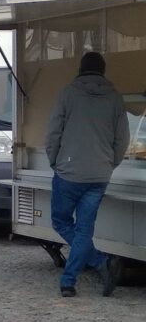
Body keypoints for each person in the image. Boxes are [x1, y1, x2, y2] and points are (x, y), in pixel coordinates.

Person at [45, 51, 130, 298]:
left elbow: (53, 134)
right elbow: (122, 138)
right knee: (84, 230)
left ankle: (94, 266)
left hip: (68, 173)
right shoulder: (114, 97)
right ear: (103, 72)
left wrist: (55, 161)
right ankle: (72, 279)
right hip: (99, 175)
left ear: (80, 70)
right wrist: (109, 164)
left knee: (61, 221)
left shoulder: (68, 94)